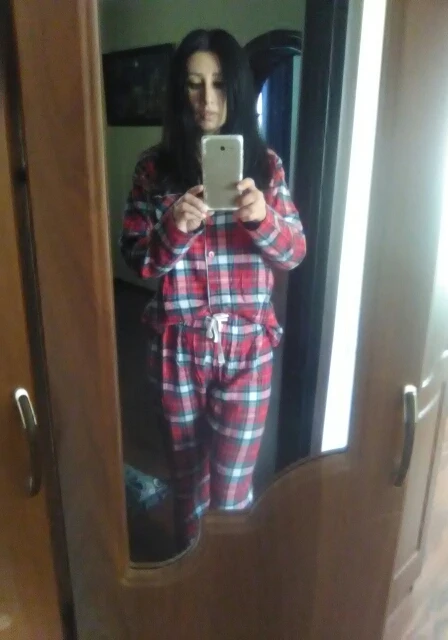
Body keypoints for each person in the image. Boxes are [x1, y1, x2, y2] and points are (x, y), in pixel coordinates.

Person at [120, 28, 306, 546]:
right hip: (177, 350)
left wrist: (262, 218)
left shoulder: (266, 167)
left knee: (232, 492)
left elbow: (294, 252)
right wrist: (174, 228)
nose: (207, 99)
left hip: (247, 350)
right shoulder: (153, 170)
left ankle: (227, 584)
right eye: (194, 83)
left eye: (219, 83)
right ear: (179, 91)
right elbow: (138, 261)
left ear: (237, 88)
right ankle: (191, 578)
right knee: (187, 485)